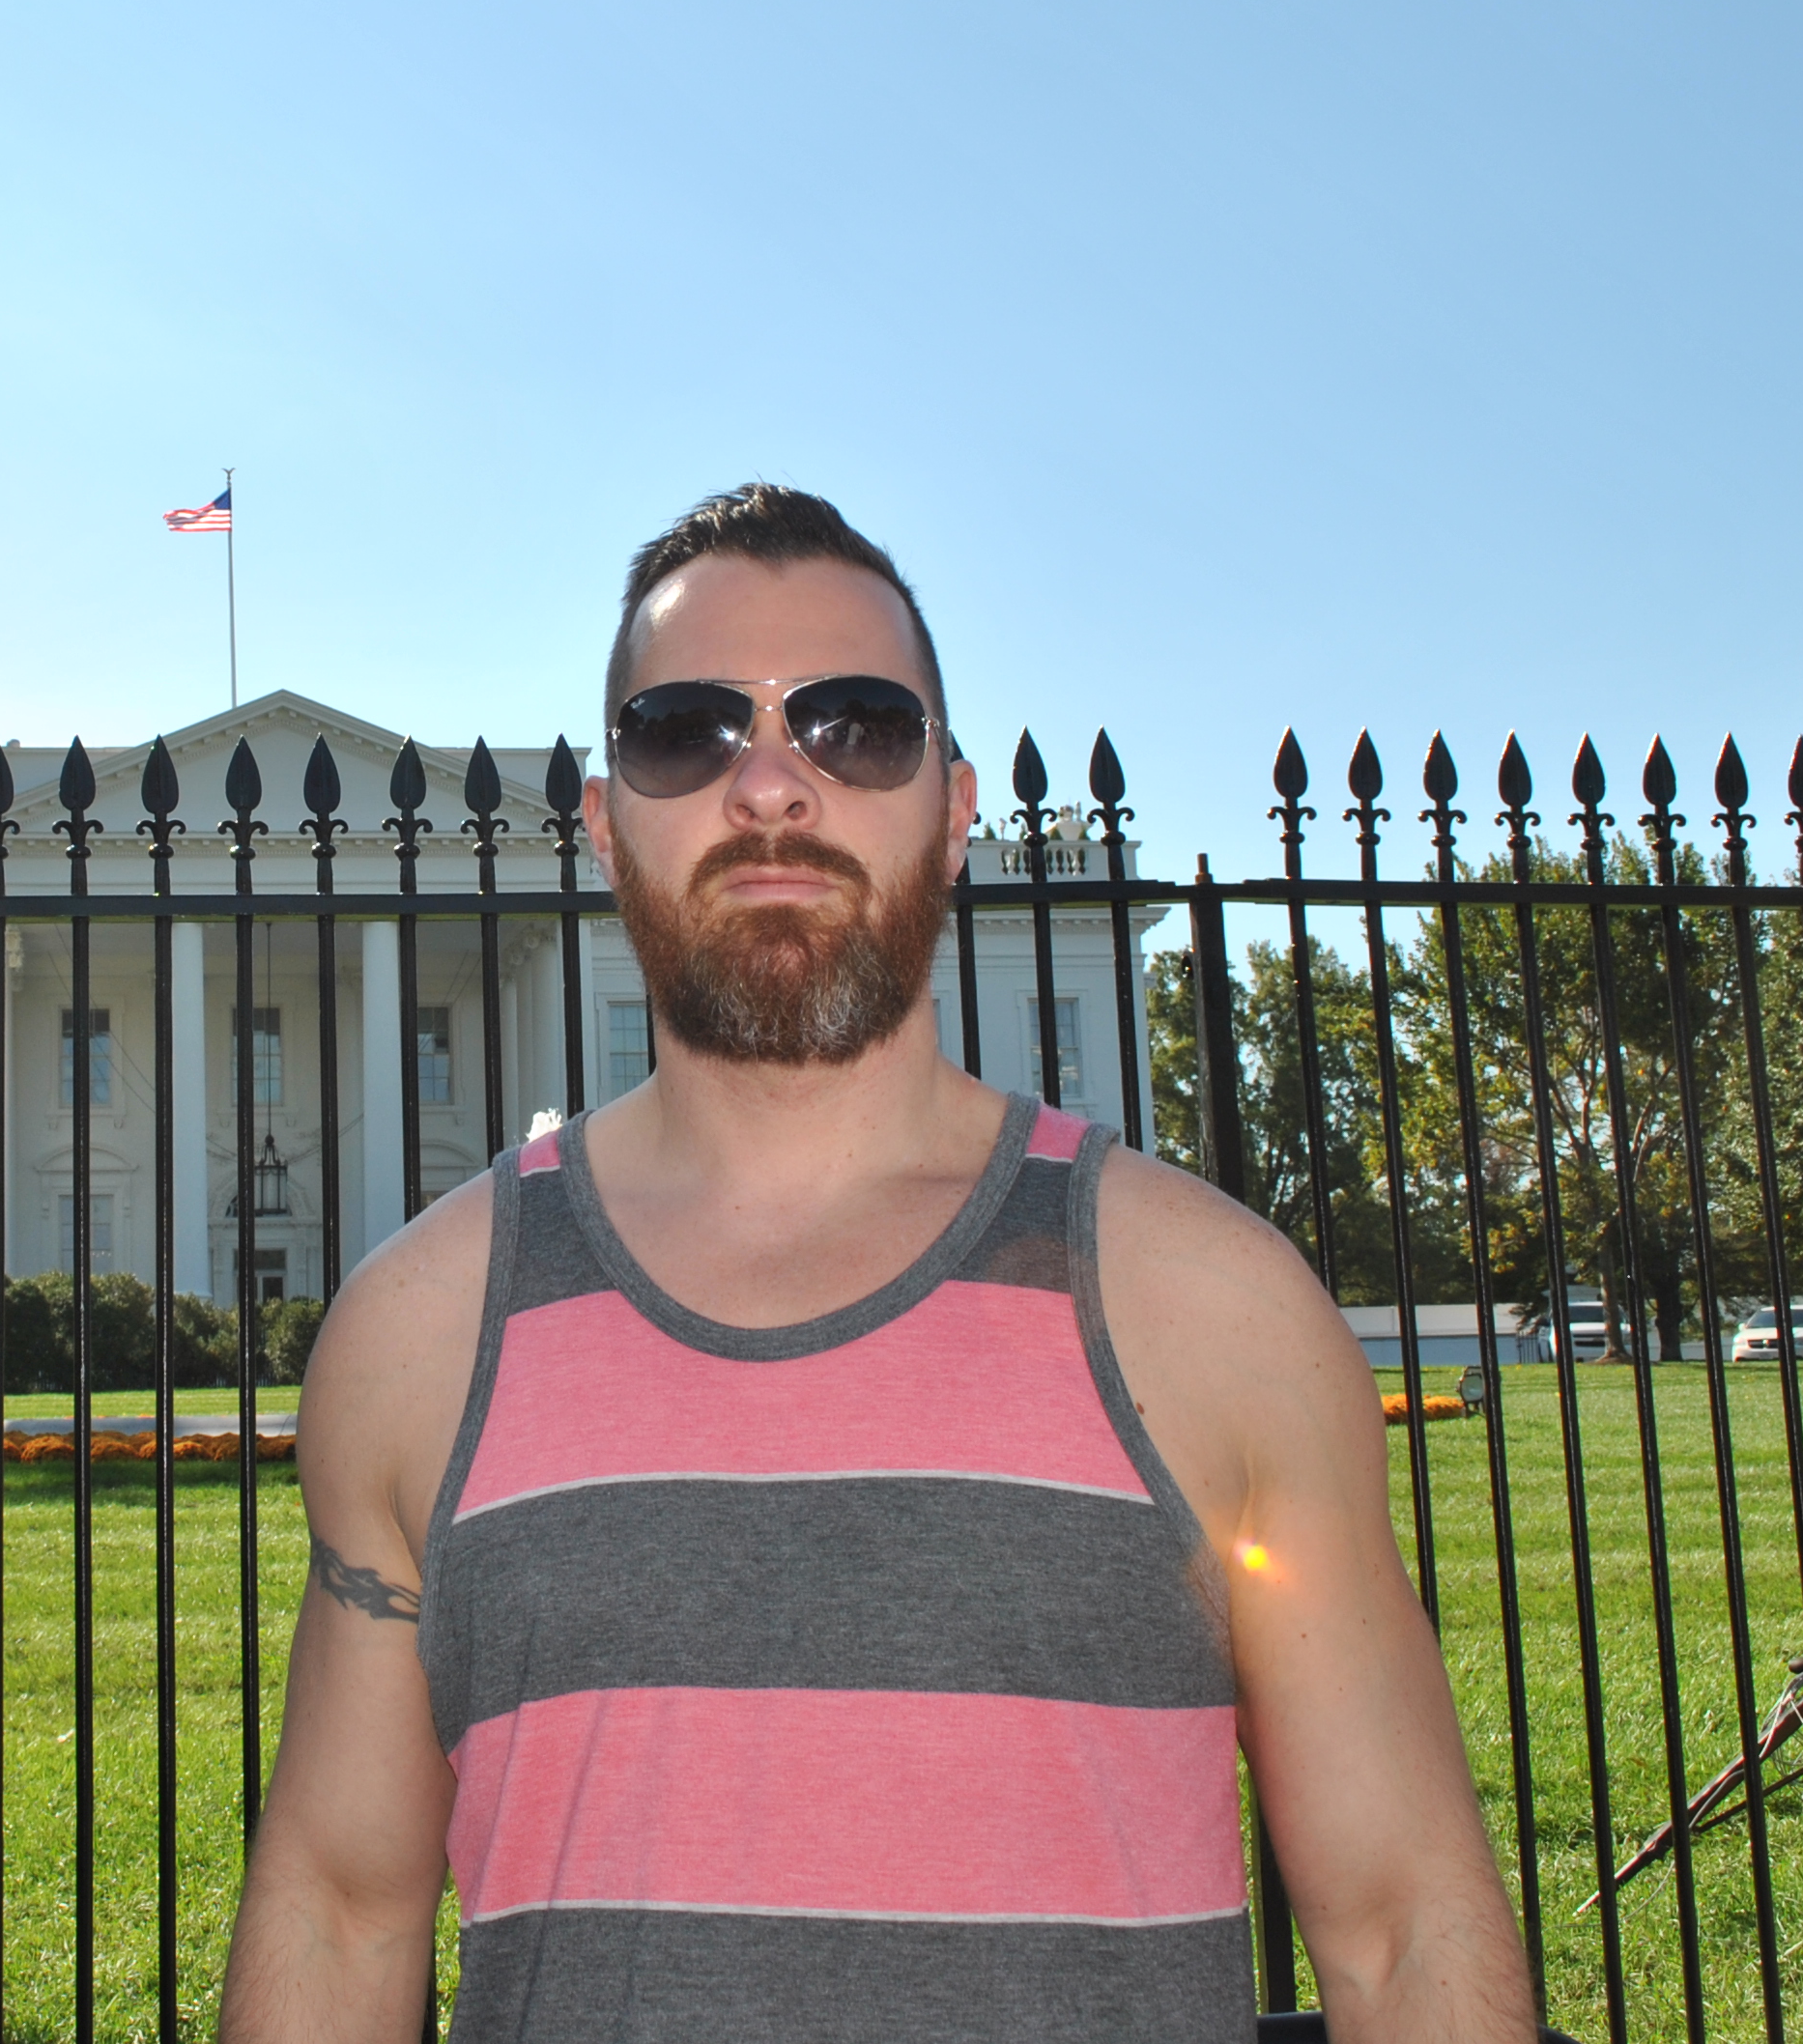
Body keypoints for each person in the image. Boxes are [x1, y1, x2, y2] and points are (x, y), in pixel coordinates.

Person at [219, 485, 1531, 2042]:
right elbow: (341, 1914)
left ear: (956, 809)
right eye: (686, 731)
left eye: (856, 726)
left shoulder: (1212, 1309)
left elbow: (1400, 1929)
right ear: (605, 821)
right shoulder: (421, 1334)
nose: (773, 783)